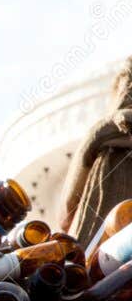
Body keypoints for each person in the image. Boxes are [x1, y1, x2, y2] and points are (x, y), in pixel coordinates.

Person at [60, 57, 132, 240]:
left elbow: (66, 214)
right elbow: (66, 214)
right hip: (96, 246)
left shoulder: (101, 133)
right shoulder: (102, 134)